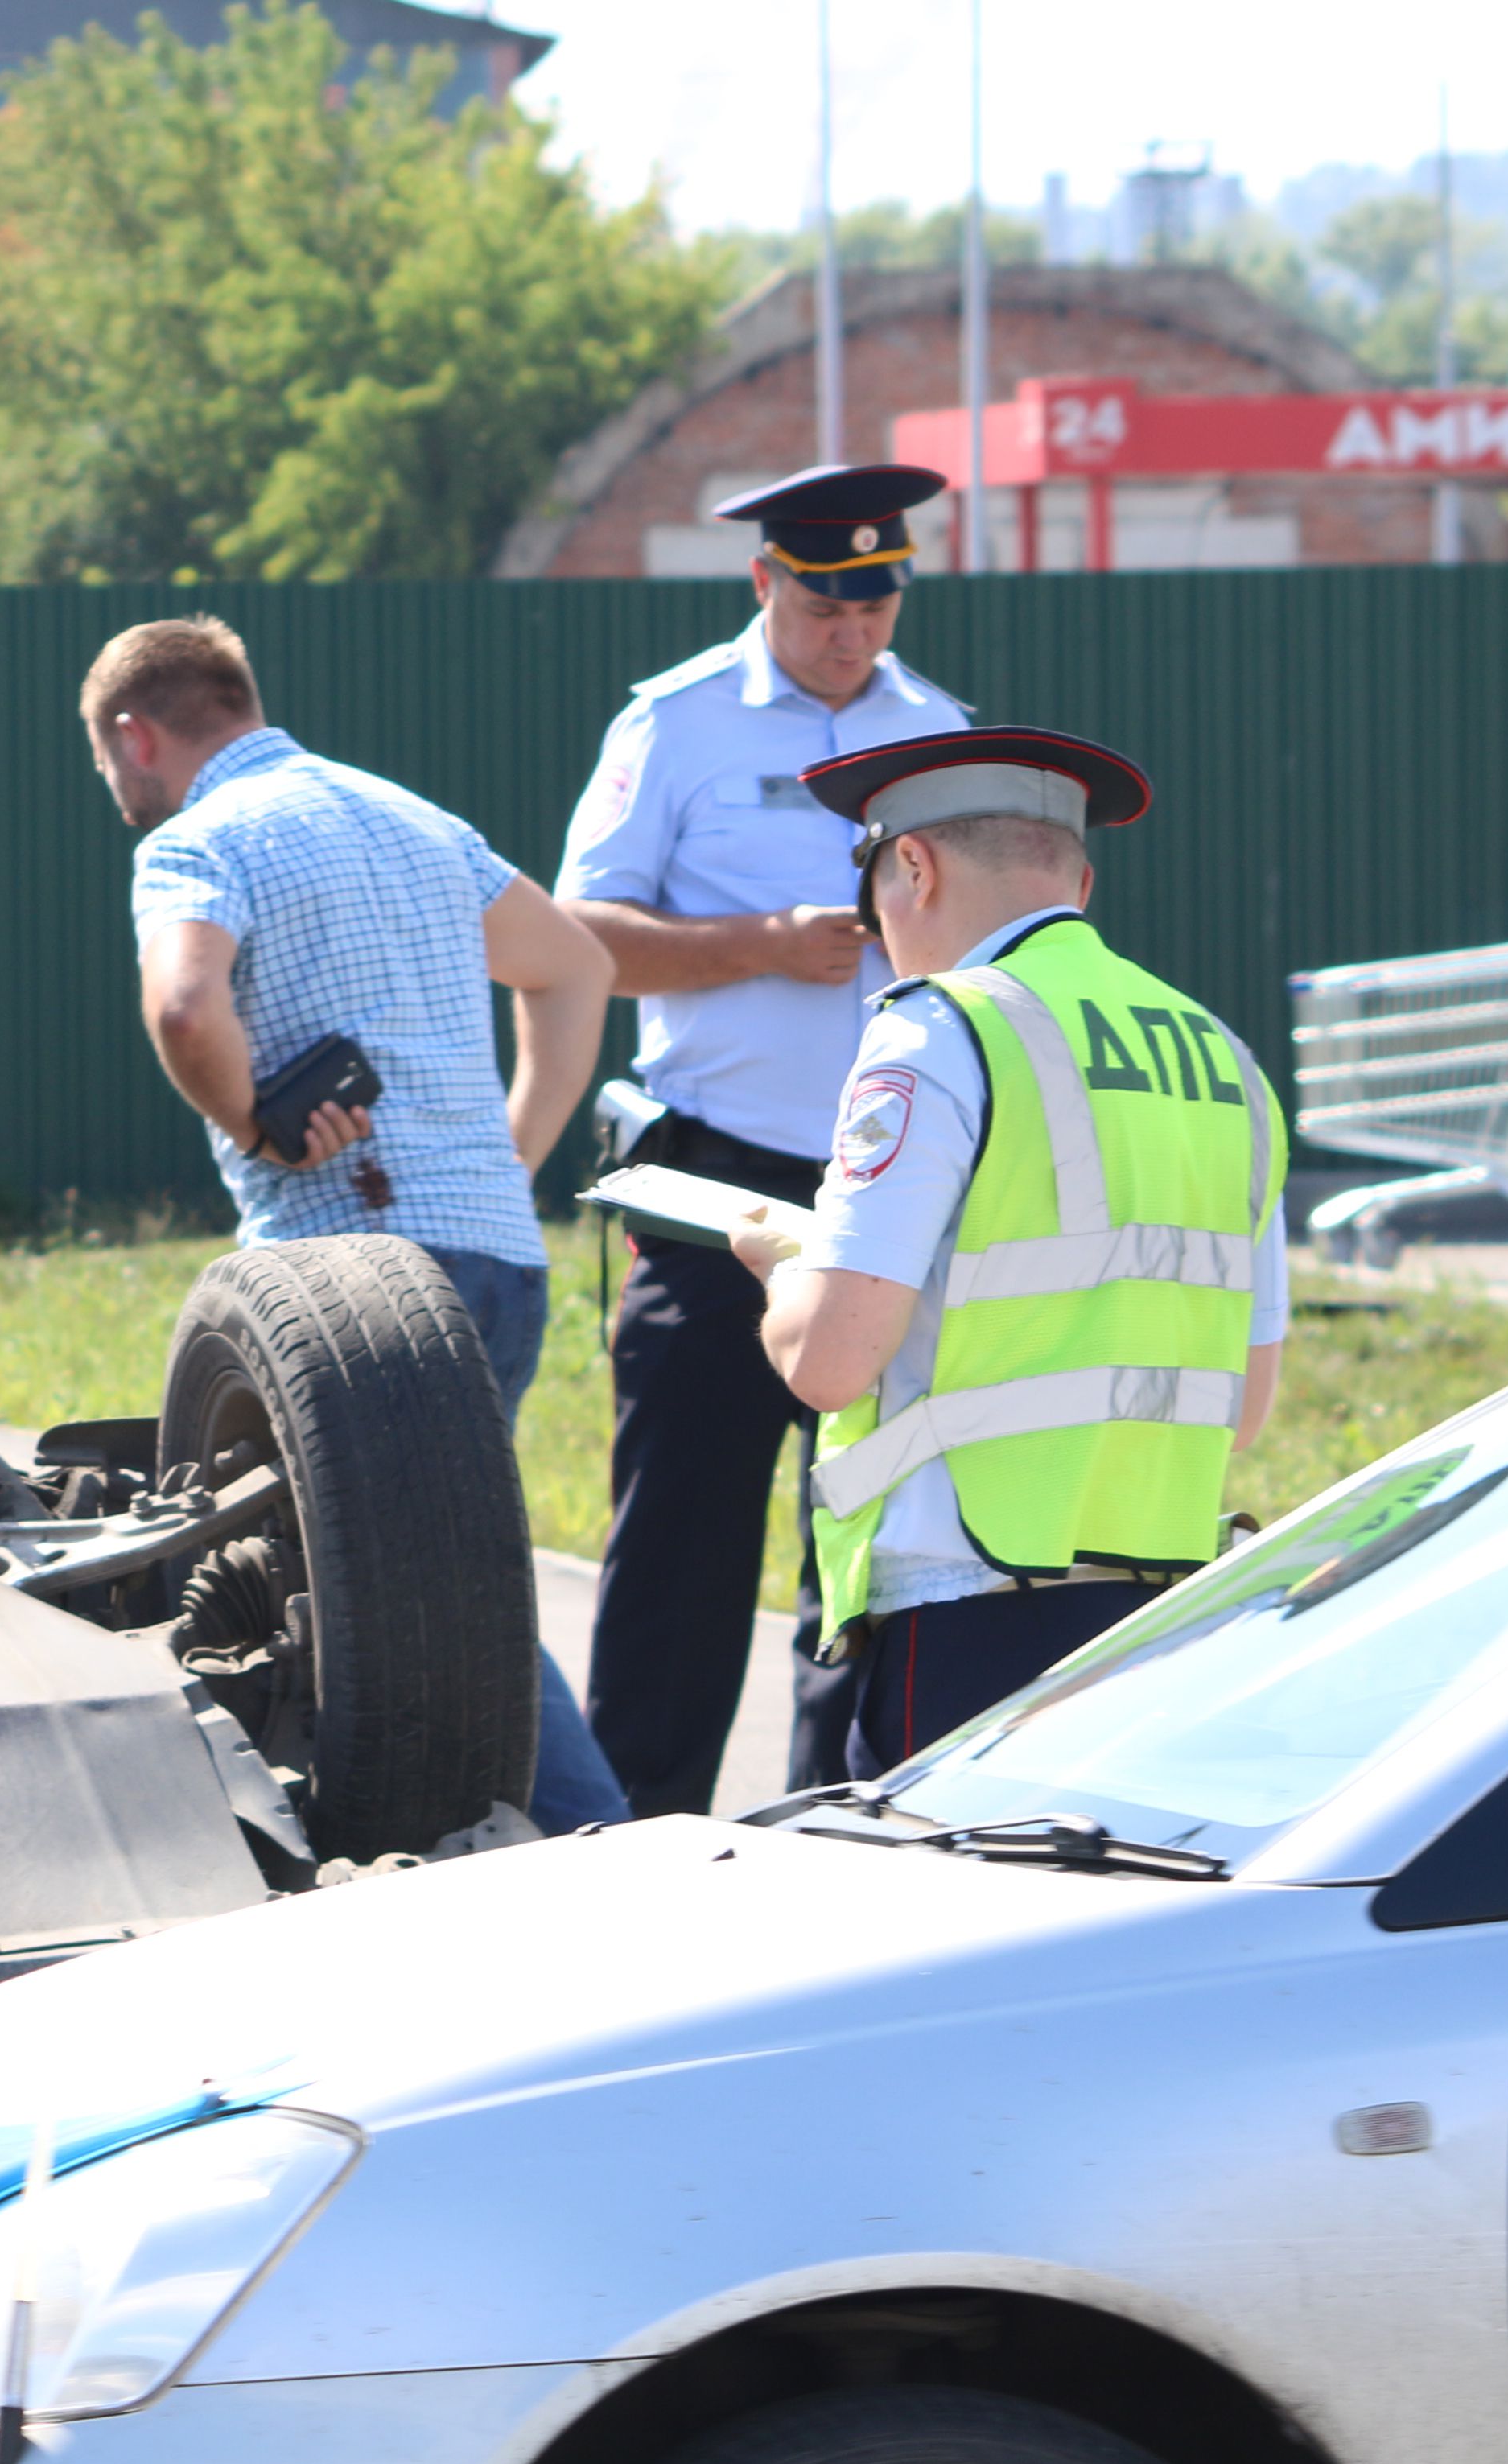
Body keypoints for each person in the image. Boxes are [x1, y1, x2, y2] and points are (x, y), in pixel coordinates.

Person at [85, 612, 632, 1833]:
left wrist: (257, 1124)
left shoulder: (201, 838)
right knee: (421, 1587)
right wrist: (509, 1152)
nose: (118, 788)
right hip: (494, 1257)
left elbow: (182, 1007)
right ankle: (499, 1841)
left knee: (416, 1598)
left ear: (137, 735)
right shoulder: (414, 821)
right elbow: (578, 968)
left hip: (349, 1285)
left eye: (109, 762)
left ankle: (593, 1843)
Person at [720, 727, 1289, 1779]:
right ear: (1080, 880)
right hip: (1159, 1617)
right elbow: (1244, 1407)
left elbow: (831, 1362)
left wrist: (783, 1271)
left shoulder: (937, 1033)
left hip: (966, 1619)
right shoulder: (1226, 1061)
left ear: (915, 868)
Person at [555, 462, 970, 1816]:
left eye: (878, 594)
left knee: (864, 1530)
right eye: (823, 597)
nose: (852, 627)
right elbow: (579, 941)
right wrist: (759, 947)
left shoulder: (945, 733)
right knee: (679, 1536)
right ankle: (631, 1833)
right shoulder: (677, 726)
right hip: (712, 1173)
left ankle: (833, 1823)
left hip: (888, 1184)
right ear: (763, 583)